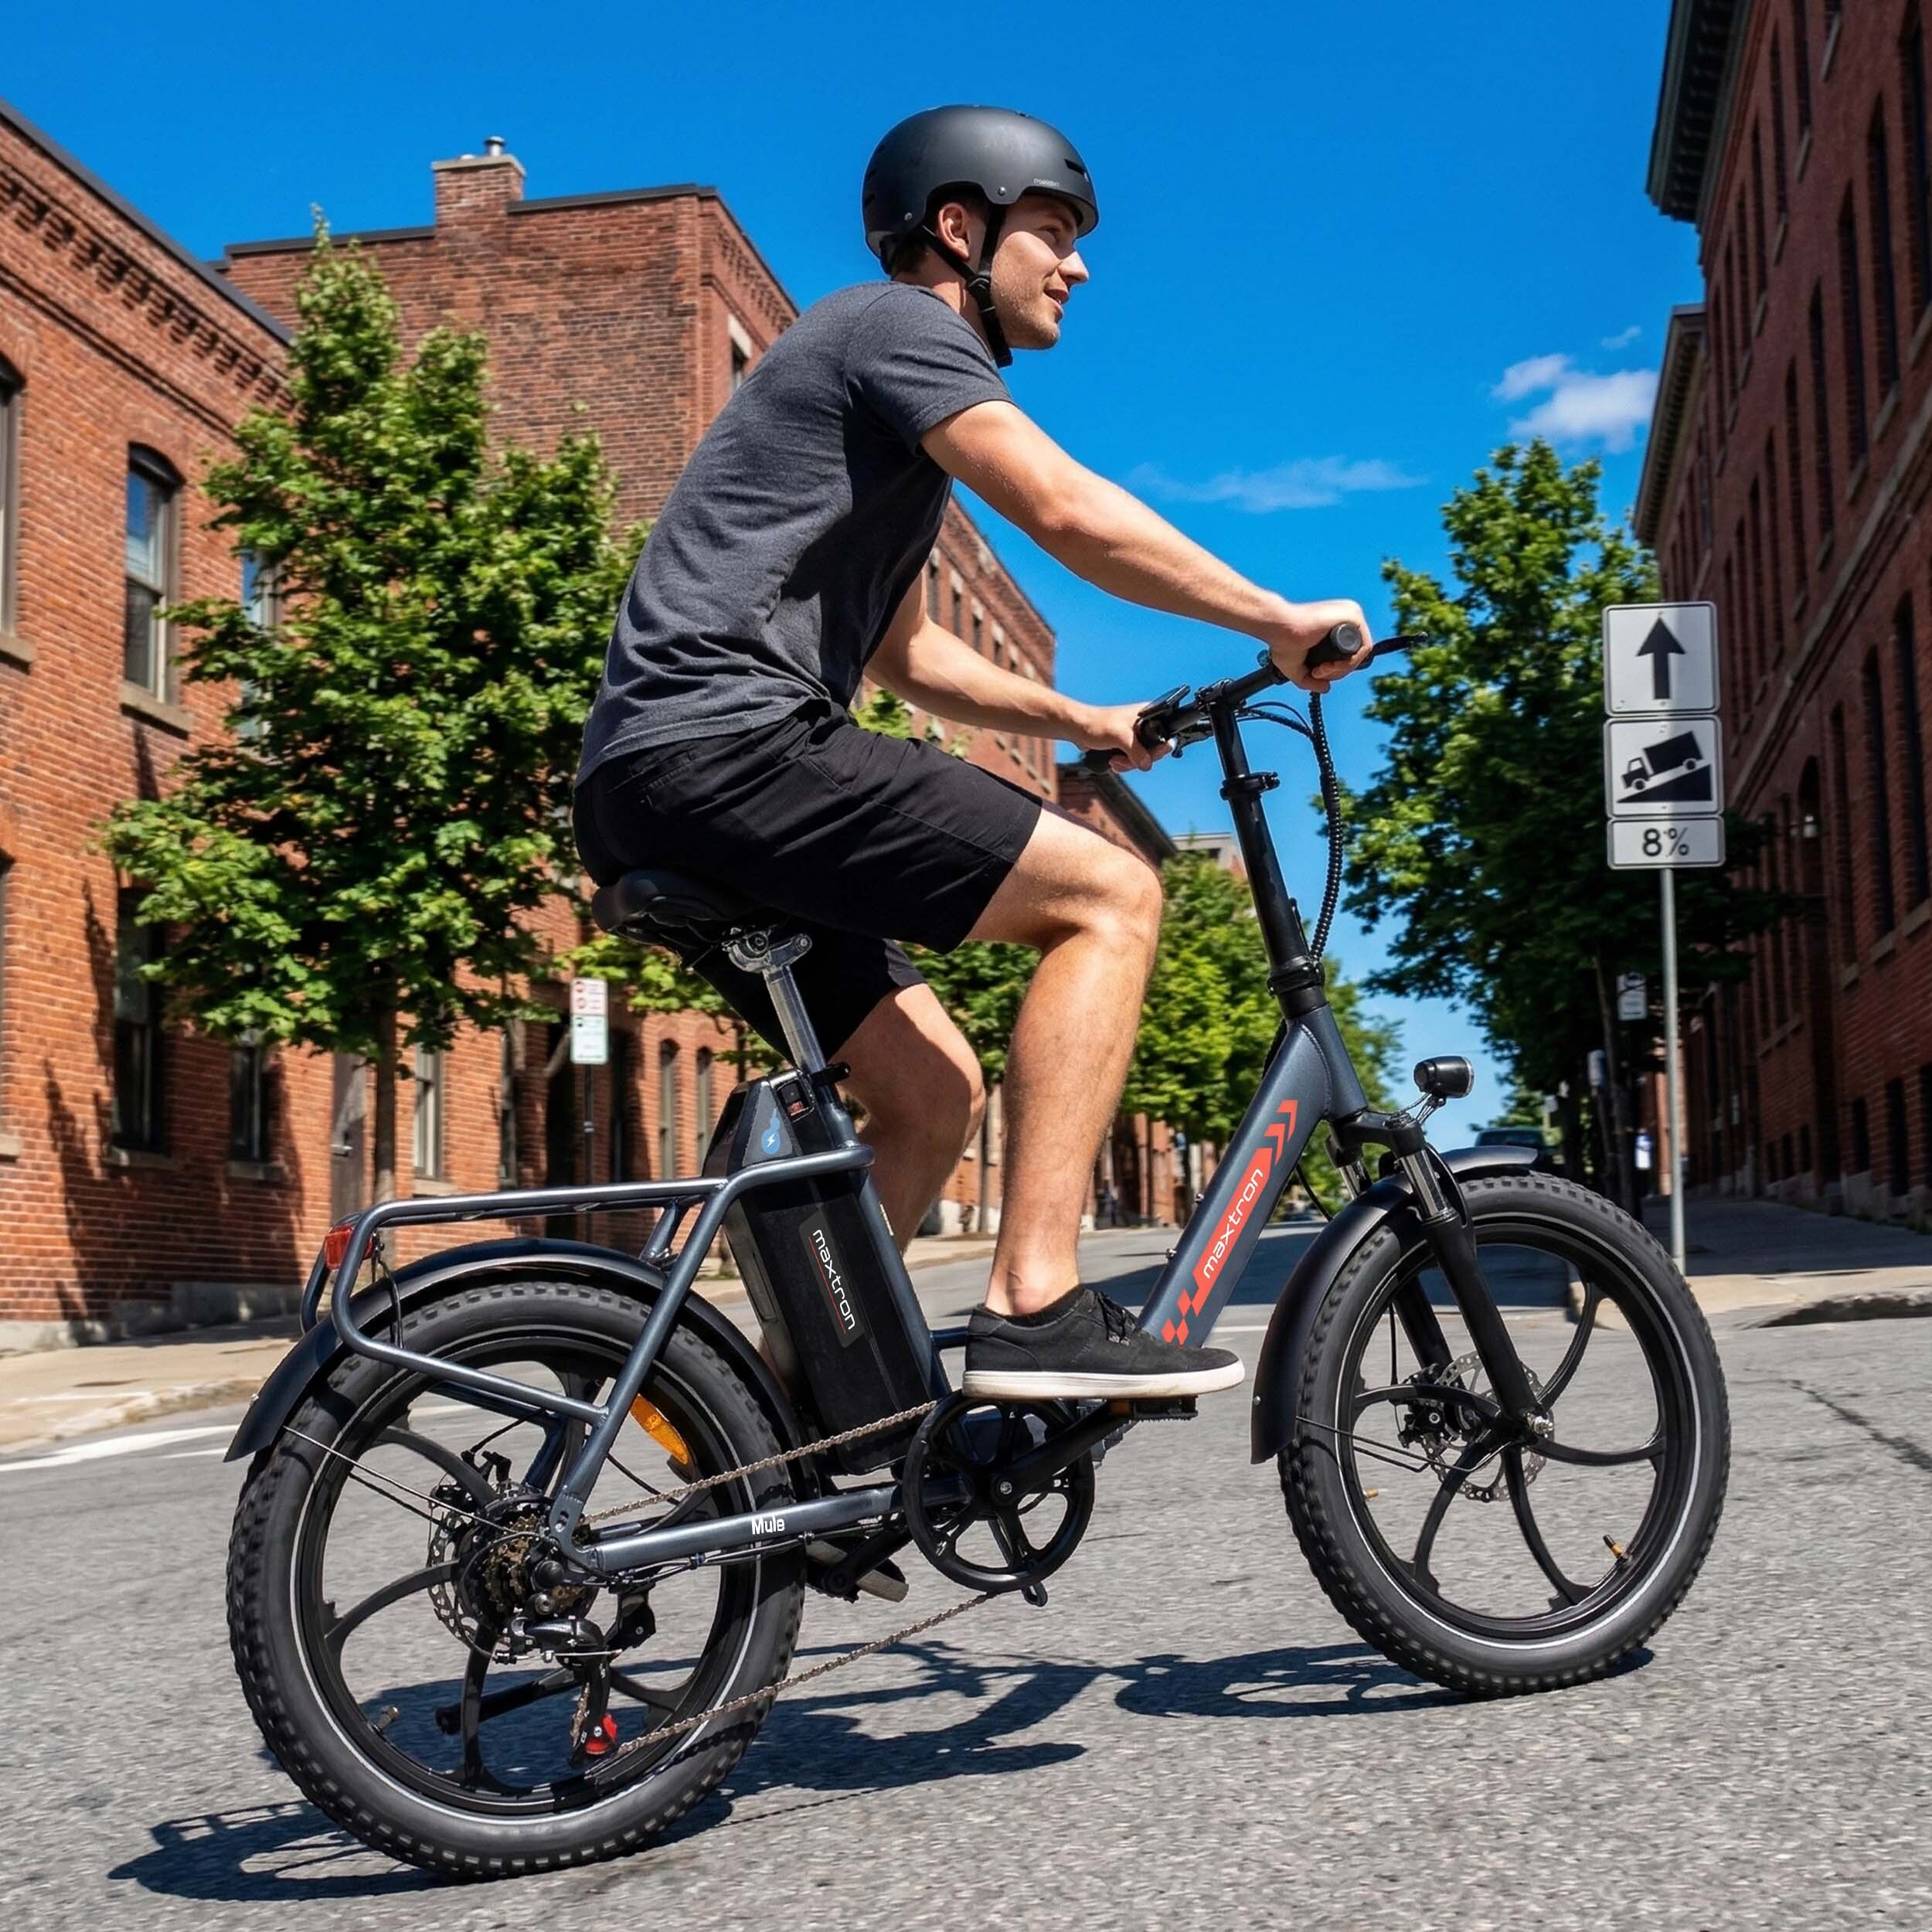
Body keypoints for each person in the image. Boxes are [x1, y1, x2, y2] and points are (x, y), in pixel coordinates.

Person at [574, 105, 1372, 1403]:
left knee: (933, 1091)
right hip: (725, 741)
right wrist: (1276, 617)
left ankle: (795, 1427)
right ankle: (1033, 1304)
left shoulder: (875, 413)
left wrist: (1086, 723)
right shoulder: (901, 328)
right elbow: (1061, 508)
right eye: (1053, 232)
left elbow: (904, 659)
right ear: (961, 228)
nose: (1079, 265)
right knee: (1112, 898)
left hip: (659, 774)